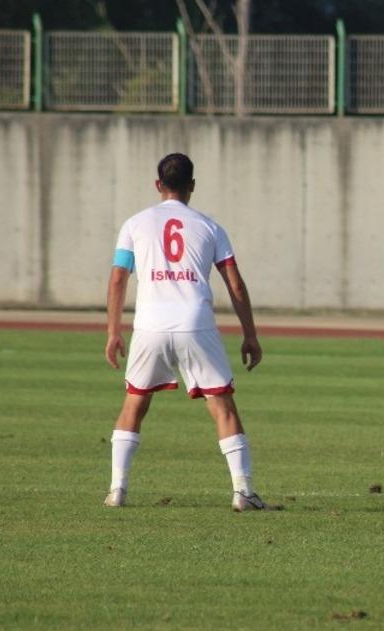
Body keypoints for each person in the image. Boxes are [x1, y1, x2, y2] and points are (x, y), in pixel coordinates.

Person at [103, 153, 266, 511]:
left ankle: (117, 490)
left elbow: (118, 278)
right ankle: (243, 492)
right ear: (192, 185)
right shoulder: (210, 227)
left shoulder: (134, 224)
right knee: (222, 406)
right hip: (196, 322)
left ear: (158, 185)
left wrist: (114, 331)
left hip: (150, 324)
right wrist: (250, 334)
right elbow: (235, 284)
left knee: (135, 402)